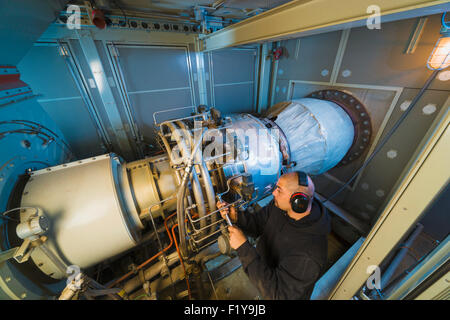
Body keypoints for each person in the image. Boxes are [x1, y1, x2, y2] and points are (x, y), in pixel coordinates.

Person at [217, 171, 330, 300]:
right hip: (264, 269)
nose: (273, 193)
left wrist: (243, 247)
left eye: (279, 190)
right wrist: (237, 217)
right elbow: (258, 224)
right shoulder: (280, 207)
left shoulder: (310, 255)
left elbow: (276, 295)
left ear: (298, 202)